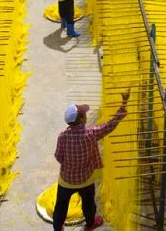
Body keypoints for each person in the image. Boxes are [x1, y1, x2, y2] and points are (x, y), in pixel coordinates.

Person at [53, 89, 131, 231]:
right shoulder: (91, 134)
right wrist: (124, 103)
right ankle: (90, 224)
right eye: (84, 114)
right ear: (82, 119)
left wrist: (70, 164)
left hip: (66, 180)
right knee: (89, 204)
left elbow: (58, 157)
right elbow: (110, 125)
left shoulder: (62, 137)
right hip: (86, 179)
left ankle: (58, 228)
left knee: (61, 206)